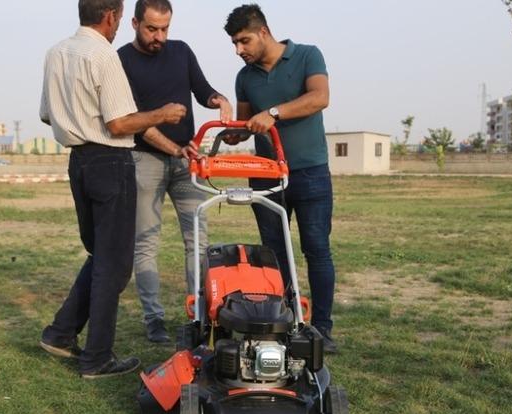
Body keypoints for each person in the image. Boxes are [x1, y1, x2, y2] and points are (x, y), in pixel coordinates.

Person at [38, 0, 187, 378]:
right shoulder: (104, 55)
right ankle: (97, 357)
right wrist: (162, 114)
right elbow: (121, 124)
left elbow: (45, 114)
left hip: (79, 162)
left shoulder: (56, 53)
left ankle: (60, 333)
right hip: (110, 160)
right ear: (112, 16)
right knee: (115, 263)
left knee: (100, 254)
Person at [223, 4, 338, 352]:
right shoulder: (245, 77)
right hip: (265, 177)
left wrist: (274, 113)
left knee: (316, 249)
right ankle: (285, 321)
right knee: (275, 255)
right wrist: (233, 134)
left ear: (263, 32)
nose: (239, 50)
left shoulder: (307, 55)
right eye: (234, 44)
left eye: (244, 41)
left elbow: (320, 98)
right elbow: (247, 125)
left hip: (310, 172)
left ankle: (321, 329)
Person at [117, 0, 233, 344]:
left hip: (187, 162)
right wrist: (175, 149)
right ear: (135, 23)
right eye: (152, 29)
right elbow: (137, 123)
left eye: (165, 28)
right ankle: (154, 319)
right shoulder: (122, 60)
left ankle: (199, 313)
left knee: (198, 242)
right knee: (146, 242)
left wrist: (220, 100)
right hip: (145, 161)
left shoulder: (181, 51)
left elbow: (203, 90)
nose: (159, 36)